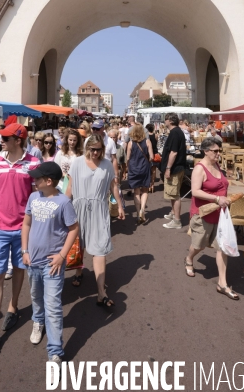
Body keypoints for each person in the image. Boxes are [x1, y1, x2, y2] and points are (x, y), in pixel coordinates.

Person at [0, 123, 40, 356]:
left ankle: (13, 306)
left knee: (19, 268)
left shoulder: (33, 163)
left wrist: (34, 225)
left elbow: (37, 195)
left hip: (23, 229)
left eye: (6, 137)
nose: (1, 140)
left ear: (18, 139)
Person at [21, 162, 78, 374]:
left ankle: (55, 351)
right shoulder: (33, 198)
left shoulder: (63, 202)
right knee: (36, 296)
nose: (34, 181)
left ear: (49, 181)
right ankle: (38, 320)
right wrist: (24, 251)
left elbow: (73, 228)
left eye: (38, 178)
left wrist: (62, 256)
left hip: (52, 264)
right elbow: (26, 224)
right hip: (32, 260)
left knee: (53, 305)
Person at [66, 134, 125, 304]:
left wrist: (120, 206)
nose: (95, 153)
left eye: (98, 150)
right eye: (92, 149)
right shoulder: (77, 162)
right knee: (79, 244)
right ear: (87, 148)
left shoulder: (107, 165)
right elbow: (69, 186)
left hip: (99, 210)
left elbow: (113, 186)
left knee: (100, 248)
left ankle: (101, 292)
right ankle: (79, 271)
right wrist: (61, 207)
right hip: (78, 208)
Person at [184, 138, 239, 300]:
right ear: (205, 151)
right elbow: (195, 191)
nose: (218, 153)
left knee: (222, 246)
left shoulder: (216, 165)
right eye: (215, 151)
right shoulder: (199, 169)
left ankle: (222, 283)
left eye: (219, 150)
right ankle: (189, 258)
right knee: (199, 245)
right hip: (203, 214)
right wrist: (216, 199)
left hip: (220, 214)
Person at [161, 113, 187, 230]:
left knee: (174, 194)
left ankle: (177, 220)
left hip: (175, 168)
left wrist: (168, 168)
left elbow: (174, 152)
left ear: (170, 121)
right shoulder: (176, 132)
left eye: (165, 119)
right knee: (172, 193)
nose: (164, 121)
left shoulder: (175, 133)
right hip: (177, 168)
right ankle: (173, 213)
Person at [126, 124, 153, 224]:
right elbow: (151, 157)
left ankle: (138, 214)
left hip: (133, 169)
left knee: (136, 192)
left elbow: (127, 158)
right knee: (145, 190)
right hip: (144, 168)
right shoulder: (147, 141)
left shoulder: (130, 143)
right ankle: (142, 210)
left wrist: (127, 168)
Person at [145, 123, 158, 192]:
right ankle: (152, 185)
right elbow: (156, 143)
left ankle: (148, 184)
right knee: (153, 170)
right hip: (155, 153)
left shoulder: (145, 136)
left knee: (147, 170)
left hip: (147, 154)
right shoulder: (155, 135)